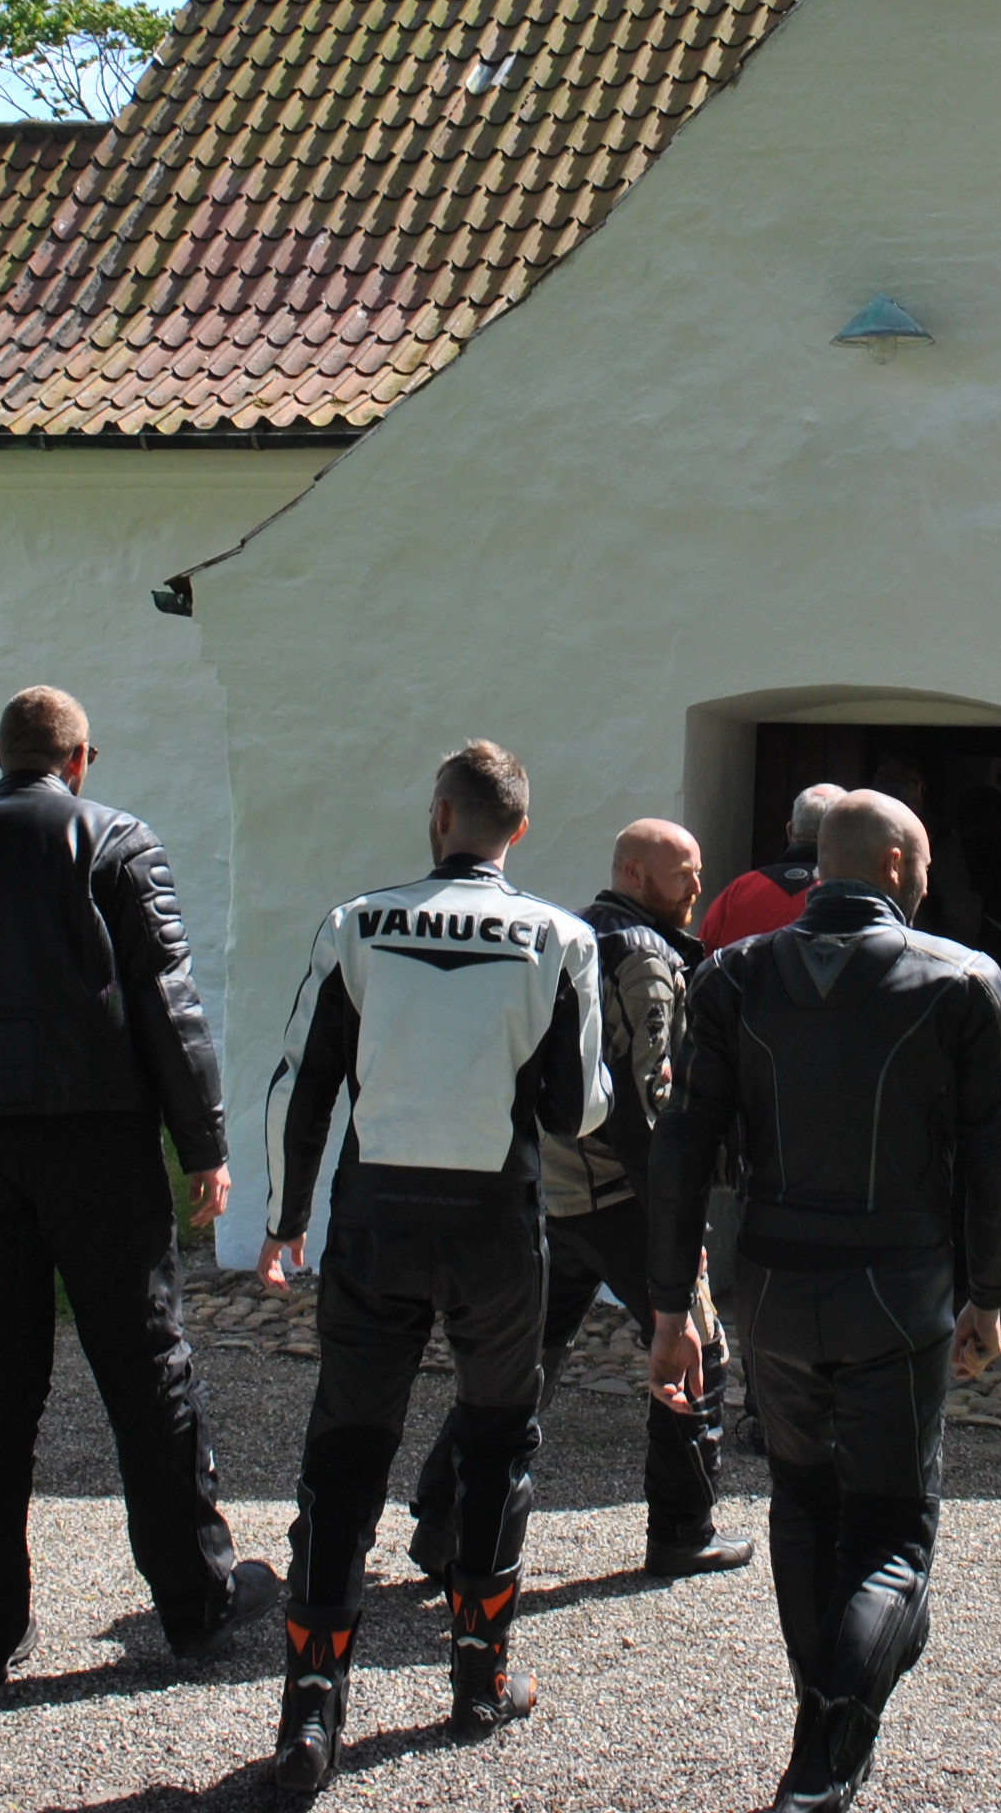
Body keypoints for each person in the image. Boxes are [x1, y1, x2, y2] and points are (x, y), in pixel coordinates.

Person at [646, 789, 1001, 1813]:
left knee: (806, 1505)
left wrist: (671, 1307)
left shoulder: (733, 973)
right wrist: (990, 1293)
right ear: (898, 865)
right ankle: (823, 1763)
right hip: (896, 1293)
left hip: (775, 1291)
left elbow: (682, 1146)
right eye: (925, 861)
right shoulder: (962, 978)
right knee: (895, 1536)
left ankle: (822, 1730)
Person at [0, 686, 271, 1682]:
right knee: (147, 1373)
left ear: (1, 753)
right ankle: (194, 1603)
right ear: (79, 759)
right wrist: (204, 1144)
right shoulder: (115, 841)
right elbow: (166, 999)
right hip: (98, 1139)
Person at [255, 740, 607, 1800]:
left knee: (347, 1447)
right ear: (518, 831)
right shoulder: (561, 937)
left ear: (438, 815)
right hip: (494, 1225)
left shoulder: (356, 923)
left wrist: (284, 1219)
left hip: (376, 1218)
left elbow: (299, 1083)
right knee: (498, 1440)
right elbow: (573, 1111)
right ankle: (478, 1681)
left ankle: (310, 1714)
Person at [402, 816, 750, 1581]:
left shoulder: (564, 935)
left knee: (518, 1365)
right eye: (682, 872)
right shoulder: (644, 956)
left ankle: (442, 1528)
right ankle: (683, 1532)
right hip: (620, 1197)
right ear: (632, 873)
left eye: (698, 870)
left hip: (552, 1192)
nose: (698, 884)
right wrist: (675, 1224)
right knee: (696, 1347)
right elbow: (648, 1102)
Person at [701, 782, 842, 951]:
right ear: (845, 837)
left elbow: (703, 955)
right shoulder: (849, 897)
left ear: (790, 831)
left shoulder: (736, 892)